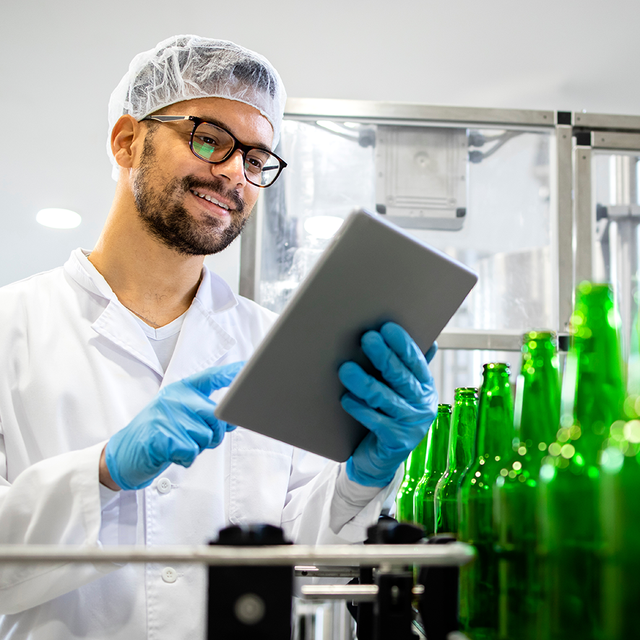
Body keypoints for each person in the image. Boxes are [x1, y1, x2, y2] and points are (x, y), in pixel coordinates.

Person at [0, 35, 438, 639]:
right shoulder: (11, 327)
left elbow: (307, 558)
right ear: (128, 141)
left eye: (257, 159)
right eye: (208, 137)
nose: (236, 171)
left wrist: (365, 473)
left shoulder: (269, 343)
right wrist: (101, 473)